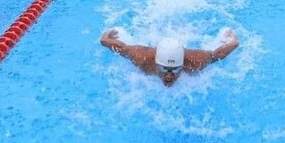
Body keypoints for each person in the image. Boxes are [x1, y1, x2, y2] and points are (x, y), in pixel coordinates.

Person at [100, 29, 240, 88]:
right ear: (156, 63)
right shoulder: (141, 59)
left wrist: (233, 42)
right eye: (164, 69)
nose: (169, 76)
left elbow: (217, 55)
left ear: (182, 65)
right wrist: (106, 36)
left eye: (175, 70)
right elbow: (113, 44)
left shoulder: (194, 61)